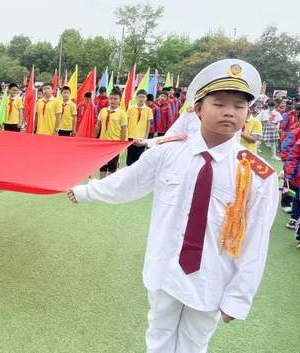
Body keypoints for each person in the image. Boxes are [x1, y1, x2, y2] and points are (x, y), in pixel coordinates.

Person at [68, 59, 278, 353]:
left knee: (195, 342)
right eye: (219, 103)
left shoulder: (257, 174)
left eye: (239, 106)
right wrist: (87, 191)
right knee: (159, 334)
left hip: (211, 275)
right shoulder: (169, 152)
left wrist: (239, 297)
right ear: (198, 109)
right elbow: (130, 181)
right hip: (165, 265)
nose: (230, 112)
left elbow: (256, 238)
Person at [95, 88, 127, 178]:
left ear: (119, 100)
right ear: (108, 99)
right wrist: (94, 139)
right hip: (103, 143)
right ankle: (101, 182)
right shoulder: (103, 111)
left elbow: (123, 130)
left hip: (114, 144)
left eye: (115, 99)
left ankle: (109, 184)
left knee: (112, 166)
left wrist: (121, 144)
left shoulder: (122, 114)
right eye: (111, 98)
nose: (113, 101)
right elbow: (98, 126)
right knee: (102, 165)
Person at [126, 89, 153, 166]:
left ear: (146, 98)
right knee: (130, 158)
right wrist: (127, 135)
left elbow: (148, 124)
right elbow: (127, 122)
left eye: (143, 97)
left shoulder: (148, 110)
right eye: (139, 97)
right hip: (131, 136)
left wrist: (146, 137)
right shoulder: (130, 108)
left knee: (139, 158)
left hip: (141, 137)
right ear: (136, 97)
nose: (141, 99)